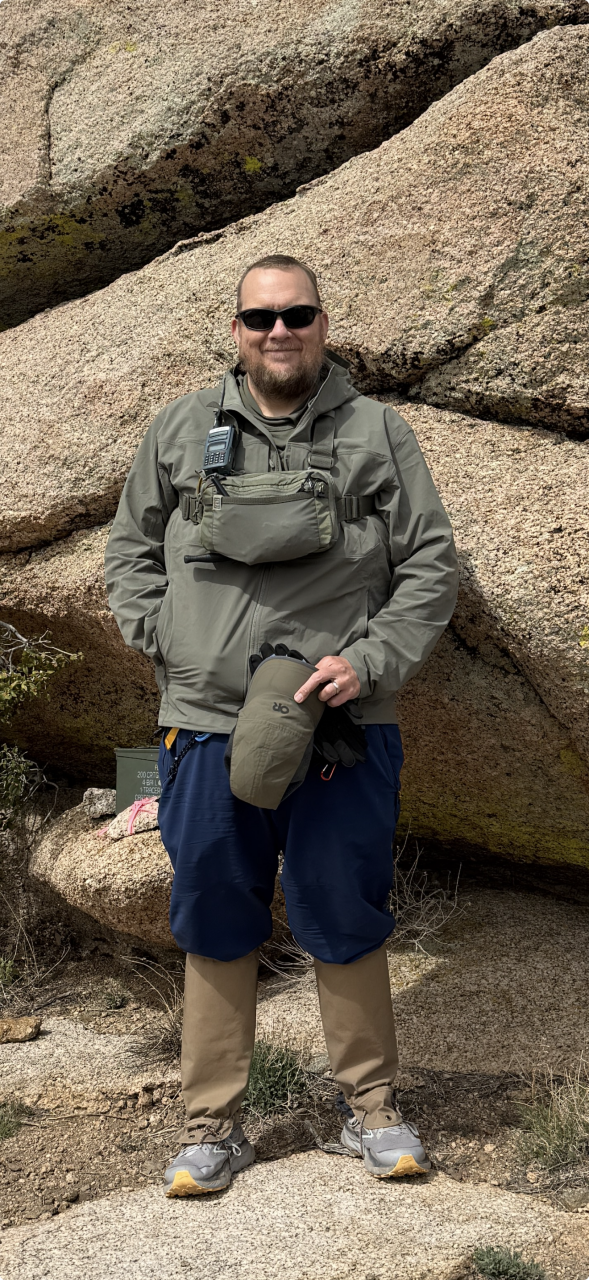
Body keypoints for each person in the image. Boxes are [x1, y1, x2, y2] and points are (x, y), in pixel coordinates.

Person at [105, 253, 459, 1196]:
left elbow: (430, 565)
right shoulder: (180, 429)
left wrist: (368, 662)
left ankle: (372, 1109)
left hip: (340, 723)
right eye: (260, 318)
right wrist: (169, 643)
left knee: (342, 905)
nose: (279, 332)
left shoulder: (376, 432)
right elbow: (130, 551)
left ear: (322, 324)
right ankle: (211, 1128)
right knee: (214, 907)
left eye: (296, 315)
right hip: (205, 723)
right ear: (236, 330)